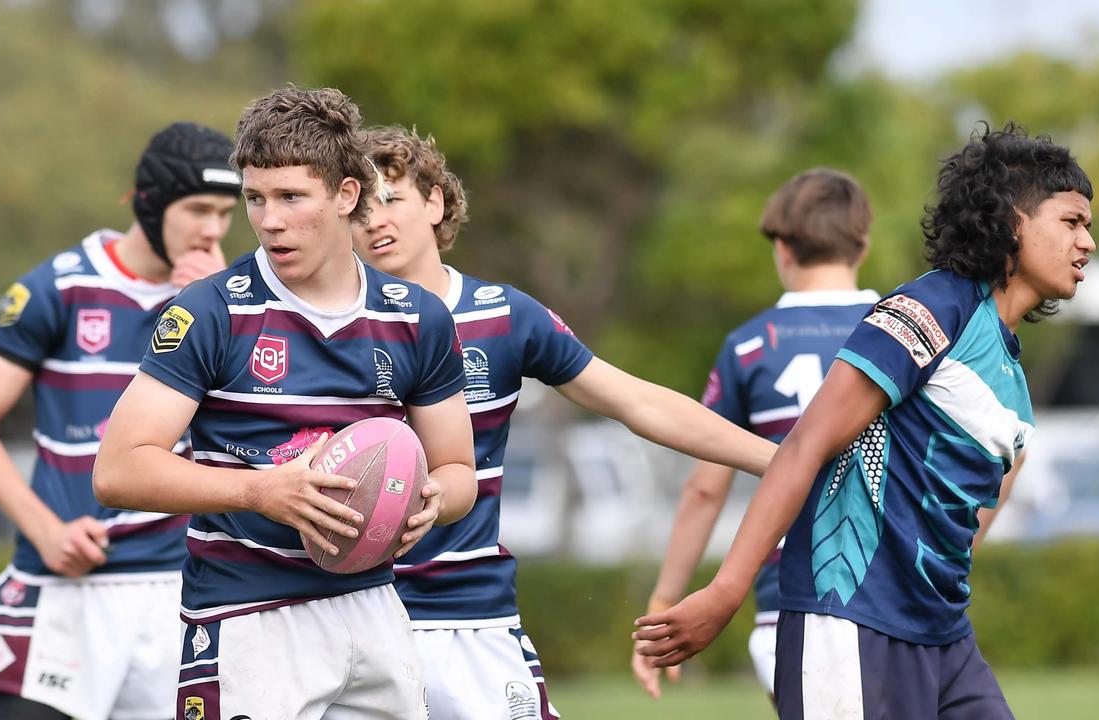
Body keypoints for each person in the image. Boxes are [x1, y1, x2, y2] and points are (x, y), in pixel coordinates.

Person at [634, 122, 1094, 719]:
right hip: (849, 622)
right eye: (1071, 222)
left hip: (943, 635)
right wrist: (725, 591)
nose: (1087, 242)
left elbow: (972, 512)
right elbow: (804, 448)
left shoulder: (1007, 367)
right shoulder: (930, 308)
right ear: (1012, 221)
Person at [353, 125, 777, 720]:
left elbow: (637, 403)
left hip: (470, 623)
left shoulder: (502, 315)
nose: (374, 220)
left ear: (435, 202)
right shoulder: (322, 326)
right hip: (353, 619)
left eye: (391, 198)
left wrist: (780, 461)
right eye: (358, 208)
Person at [93, 87, 477, 720]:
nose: (269, 220)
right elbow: (118, 470)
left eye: (291, 197)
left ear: (346, 196)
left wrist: (431, 502)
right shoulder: (211, 312)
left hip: (375, 610)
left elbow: (458, 471)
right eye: (256, 199)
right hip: (248, 617)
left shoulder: (418, 318)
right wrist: (259, 492)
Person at [0, 121, 241, 720]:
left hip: (178, 588)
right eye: (199, 209)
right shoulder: (60, 286)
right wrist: (46, 530)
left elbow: (253, 427)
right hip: (62, 587)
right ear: (151, 204)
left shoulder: (225, 299)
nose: (213, 229)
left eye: (226, 212)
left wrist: (215, 309)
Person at [631, 169, 880, 702]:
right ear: (863, 243)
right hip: (890, 591)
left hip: (787, 600)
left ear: (783, 248)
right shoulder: (900, 330)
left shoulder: (748, 346)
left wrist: (665, 598)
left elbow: (705, 489)